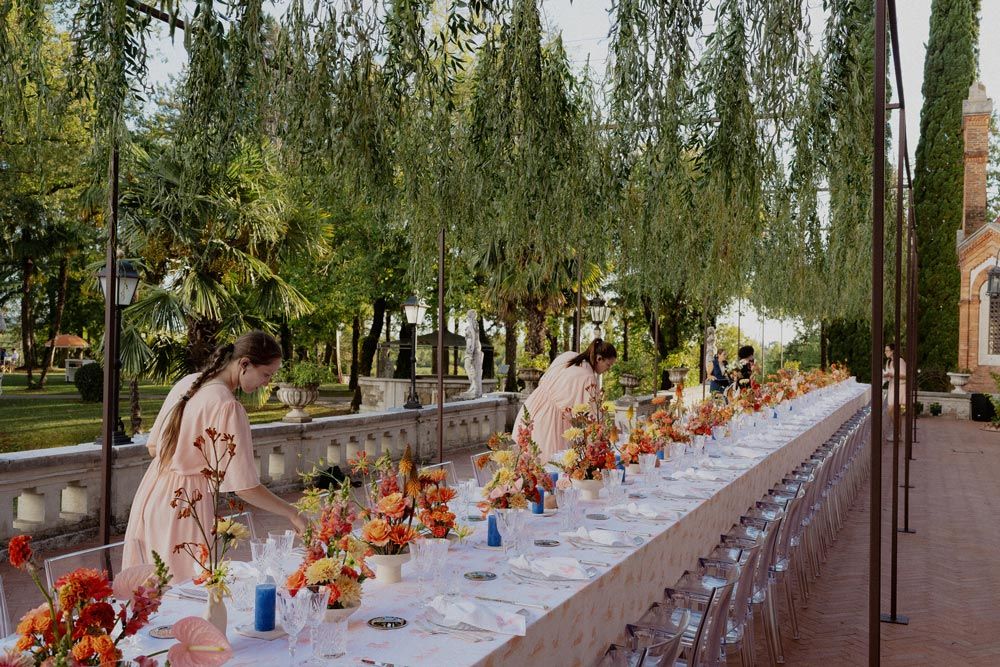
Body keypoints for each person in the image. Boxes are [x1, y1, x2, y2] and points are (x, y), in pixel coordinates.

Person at [123, 331, 307, 578]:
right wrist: (293, 513)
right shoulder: (227, 405)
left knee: (150, 592)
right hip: (184, 506)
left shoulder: (188, 382)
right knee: (184, 589)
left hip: (152, 494)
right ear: (244, 364)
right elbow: (245, 487)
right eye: (266, 374)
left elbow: (154, 447)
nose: (267, 383)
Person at [512, 338, 617, 462]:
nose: (608, 369)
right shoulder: (588, 378)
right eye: (608, 365)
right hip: (549, 422)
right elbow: (594, 416)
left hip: (532, 408)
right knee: (548, 466)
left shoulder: (569, 356)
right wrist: (609, 431)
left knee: (528, 465)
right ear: (599, 359)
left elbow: (544, 379)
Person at [882, 343, 907, 429]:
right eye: (885, 350)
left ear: (892, 351)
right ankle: (897, 433)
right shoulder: (888, 362)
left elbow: (905, 375)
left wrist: (892, 374)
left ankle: (897, 432)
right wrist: (886, 375)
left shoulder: (900, 361)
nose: (885, 352)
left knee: (892, 410)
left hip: (900, 387)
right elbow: (890, 376)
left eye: (887, 350)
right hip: (892, 386)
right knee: (893, 411)